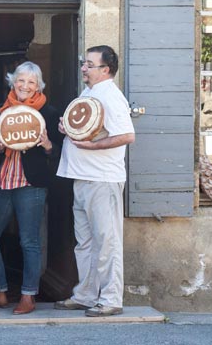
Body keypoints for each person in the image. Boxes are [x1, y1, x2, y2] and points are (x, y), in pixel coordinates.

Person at [0, 61, 62, 316]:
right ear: (13, 82)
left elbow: (60, 153)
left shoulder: (49, 112)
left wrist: (46, 145)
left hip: (30, 184)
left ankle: (28, 296)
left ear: (38, 86)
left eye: (31, 82)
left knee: (29, 241)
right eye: (21, 81)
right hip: (3, 181)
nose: (25, 86)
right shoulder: (2, 110)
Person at [53, 45, 135, 317]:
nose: (84, 68)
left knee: (107, 241)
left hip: (102, 179)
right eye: (83, 63)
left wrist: (92, 147)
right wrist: (67, 128)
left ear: (106, 70)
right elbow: (89, 127)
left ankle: (111, 299)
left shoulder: (111, 96)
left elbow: (126, 135)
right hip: (83, 177)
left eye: (89, 64)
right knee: (85, 243)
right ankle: (86, 295)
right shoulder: (90, 93)